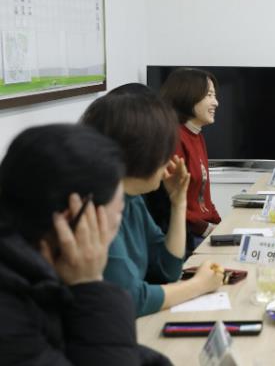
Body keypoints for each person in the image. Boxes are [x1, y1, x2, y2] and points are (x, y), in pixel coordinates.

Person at [0, 124, 170, 365]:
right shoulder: (11, 312)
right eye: (118, 211)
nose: (118, 223)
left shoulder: (39, 270)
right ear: (78, 219)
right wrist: (90, 285)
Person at [81, 87, 224, 317]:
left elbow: (167, 269)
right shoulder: (98, 207)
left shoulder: (132, 198)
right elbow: (131, 299)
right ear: (141, 151)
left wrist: (178, 202)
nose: (170, 157)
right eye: (165, 147)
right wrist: (199, 285)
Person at [158, 68, 221, 252]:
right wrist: (207, 229)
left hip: (201, 231)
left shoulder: (196, 134)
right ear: (187, 96)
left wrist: (220, 224)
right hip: (187, 236)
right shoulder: (174, 138)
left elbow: (203, 196)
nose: (216, 102)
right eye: (209, 95)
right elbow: (172, 201)